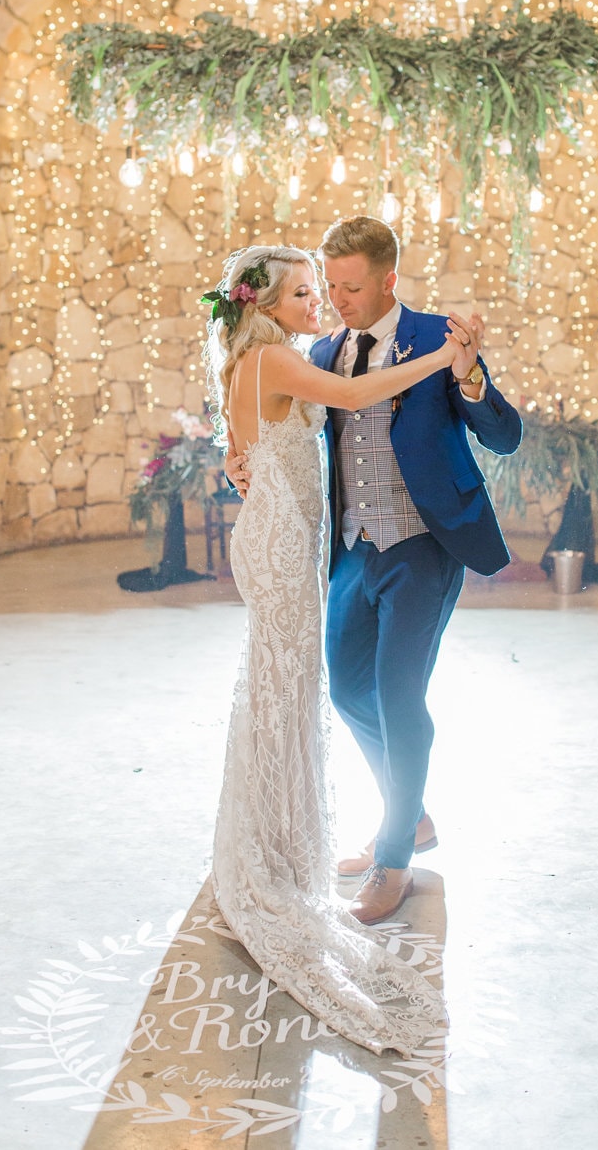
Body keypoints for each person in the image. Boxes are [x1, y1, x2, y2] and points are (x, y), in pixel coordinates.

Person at [203, 242, 468, 1056]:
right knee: (286, 689)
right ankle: (270, 859)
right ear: (266, 305)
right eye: (303, 292)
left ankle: (271, 843)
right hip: (286, 545)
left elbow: (243, 452)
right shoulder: (281, 359)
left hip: (279, 534)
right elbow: (353, 393)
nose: (317, 302)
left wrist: (244, 470)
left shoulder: (251, 361)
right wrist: (440, 360)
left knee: (278, 689)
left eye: (324, 289)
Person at [229, 216, 522, 927]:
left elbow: (504, 436)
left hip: (425, 546)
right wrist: (242, 458)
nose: (336, 301)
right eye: (328, 287)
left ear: (389, 279)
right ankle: (412, 814)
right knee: (349, 688)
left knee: (397, 699)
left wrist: (470, 375)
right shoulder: (323, 351)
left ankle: (395, 859)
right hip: (354, 550)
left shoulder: (439, 338)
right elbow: (276, 419)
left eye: (351, 287)